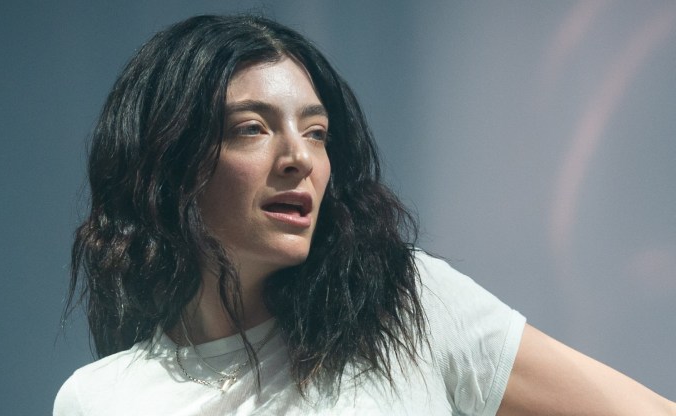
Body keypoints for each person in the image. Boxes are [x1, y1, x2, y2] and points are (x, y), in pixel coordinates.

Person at [54, 14, 676, 415]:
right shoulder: (101, 398)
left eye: (317, 132)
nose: (299, 157)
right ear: (169, 162)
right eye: (252, 128)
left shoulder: (408, 309)